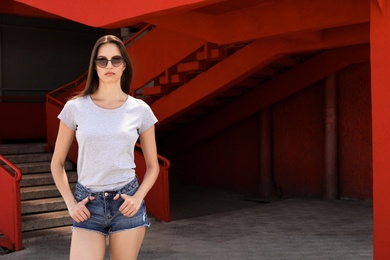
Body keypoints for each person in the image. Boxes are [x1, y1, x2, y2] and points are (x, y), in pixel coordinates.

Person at [51, 35, 159, 260]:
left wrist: (138, 198)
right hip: (87, 205)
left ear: (124, 66)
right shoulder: (75, 107)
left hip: (126, 202)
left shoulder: (140, 110)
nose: (109, 65)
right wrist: (70, 203)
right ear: (95, 66)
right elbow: (57, 163)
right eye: (102, 60)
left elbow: (153, 166)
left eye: (115, 60)